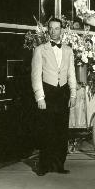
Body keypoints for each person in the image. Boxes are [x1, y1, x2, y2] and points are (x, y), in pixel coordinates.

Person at [31, 18, 77, 176]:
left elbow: (71, 73)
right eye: (51, 28)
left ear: (61, 30)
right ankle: (44, 165)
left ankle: (59, 165)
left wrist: (73, 94)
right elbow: (36, 76)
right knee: (46, 130)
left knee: (61, 131)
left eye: (57, 28)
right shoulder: (40, 50)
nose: (53, 31)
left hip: (63, 93)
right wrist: (40, 97)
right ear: (47, 30)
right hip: (48, 93)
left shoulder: (68, 50)